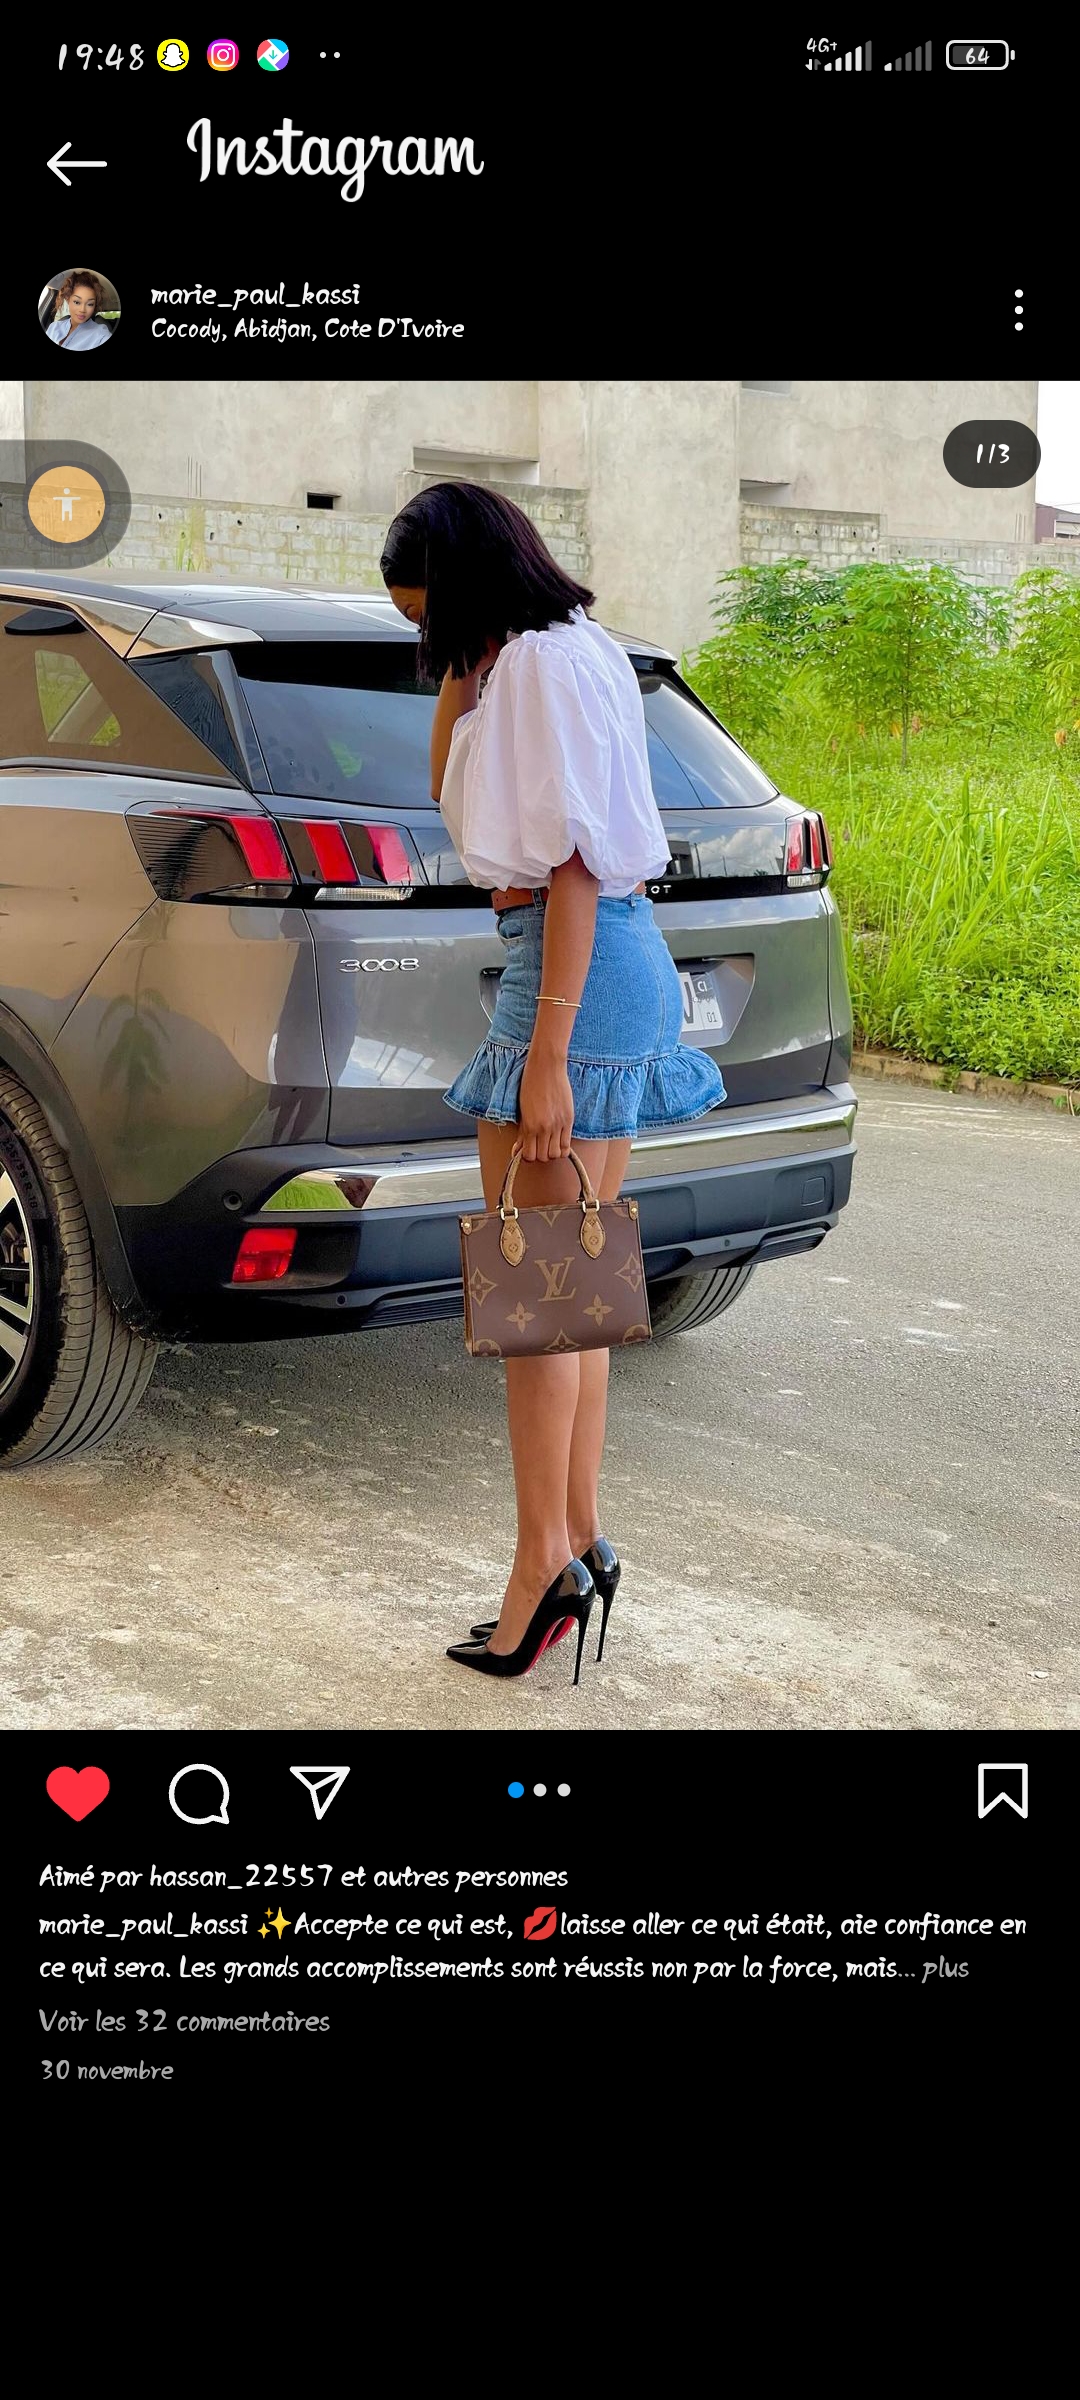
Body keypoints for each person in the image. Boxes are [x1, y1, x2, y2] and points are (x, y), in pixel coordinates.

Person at [381, 482, 726, 1684]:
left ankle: (540, 1570)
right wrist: (456, 667)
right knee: (569, 1287)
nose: (427, 639)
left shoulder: (535, 666)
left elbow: (573, 862)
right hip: (599, 961)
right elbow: (450, 790)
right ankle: (576, 1539)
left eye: (427, 614)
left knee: (533, 1299)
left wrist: (545, 1056)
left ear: (466, 588)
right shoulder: (563, 650)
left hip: (570, 967)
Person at [45, 271, 112, 350]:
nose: (82, 310)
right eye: (77, 302)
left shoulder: (101, 334)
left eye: (90, 304)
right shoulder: (54, 327)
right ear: (68, 299)